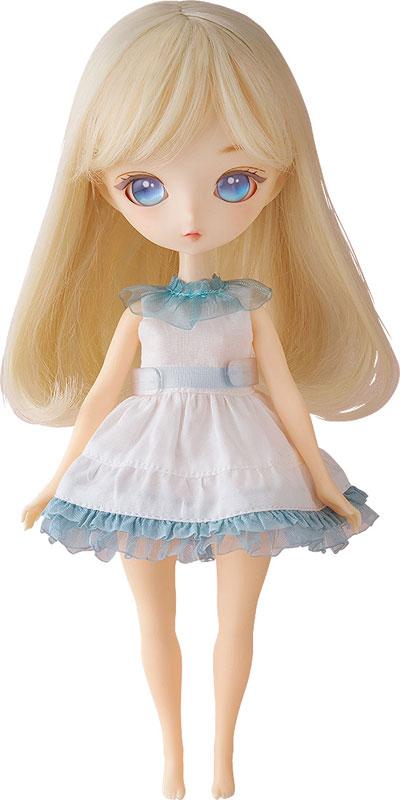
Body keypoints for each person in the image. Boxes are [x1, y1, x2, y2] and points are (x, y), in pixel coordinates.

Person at [1, 4, 397, 798]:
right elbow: (101, 399)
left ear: (278, 179)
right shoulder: (141, 311)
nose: (189, 216)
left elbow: (286, 398)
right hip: (143, 460)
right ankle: (173, 761)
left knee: (236, 623)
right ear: (103, 188)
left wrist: (322, 483)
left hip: (244, 460)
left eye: (233, 181)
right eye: (144, 185)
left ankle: (222, 760)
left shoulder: (249, 308)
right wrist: (56, 479)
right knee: (154, 622)